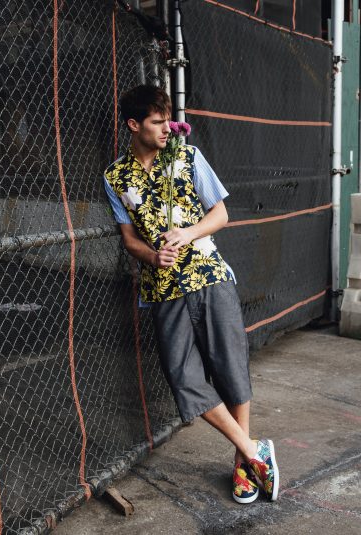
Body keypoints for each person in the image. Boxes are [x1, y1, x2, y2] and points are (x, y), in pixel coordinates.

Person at [102, 85, 279, 504]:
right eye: (157, 121)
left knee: (230, 367)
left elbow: (220, 213)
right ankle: (257, 453)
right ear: (134, 125)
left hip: (209, 275)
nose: (167, 128)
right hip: (163, 289)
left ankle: (243, 465)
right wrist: (151, 255)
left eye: (169, 120)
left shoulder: (187, 157)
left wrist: (187, 232)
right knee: (184, 379)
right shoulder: (115, 177)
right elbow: (129, 240)